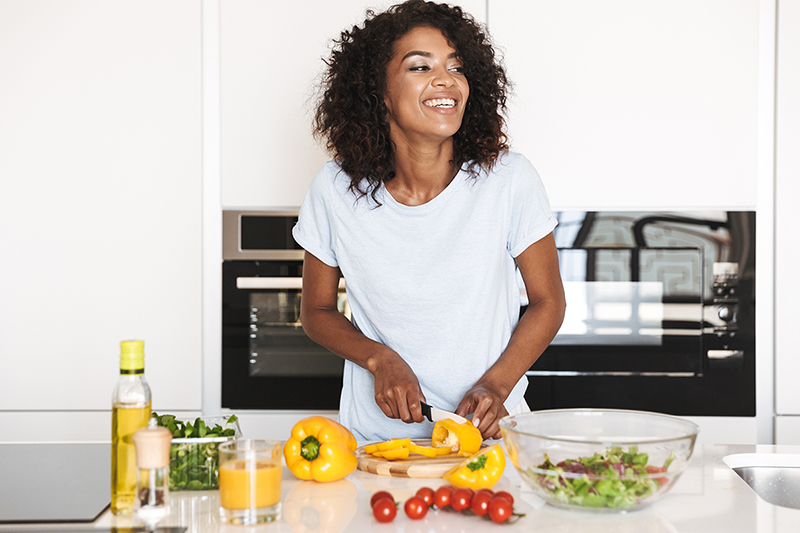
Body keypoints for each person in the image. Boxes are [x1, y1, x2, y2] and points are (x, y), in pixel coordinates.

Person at [292, 0, 566, 442]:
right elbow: (316, 311)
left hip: (488, 435)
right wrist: (380, 359)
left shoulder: (509, 180)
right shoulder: (334, 190)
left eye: (455, 67)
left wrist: (496, 385)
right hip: (378, 443)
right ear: (378, 92)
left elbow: (548, 302)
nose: (445, 79)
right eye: (420, 67)